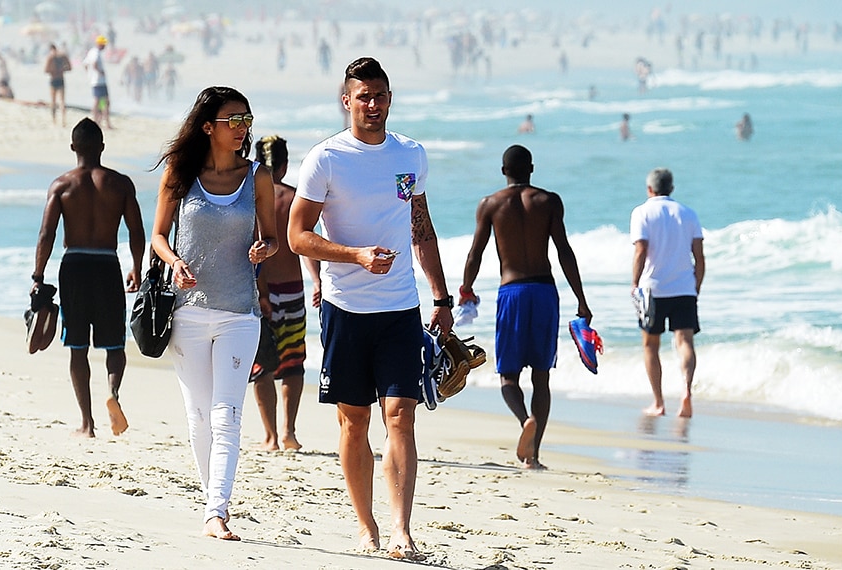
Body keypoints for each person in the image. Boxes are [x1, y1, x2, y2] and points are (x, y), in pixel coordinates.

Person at [287, 57, 453, 560]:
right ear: (347, 100)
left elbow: (420, 227)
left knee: (401, 417)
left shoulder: (411, 154)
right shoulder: (327, 159)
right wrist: (355, 255)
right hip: (344, 309)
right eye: (364, 97)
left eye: (381, 96)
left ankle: (402, 529)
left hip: (401, 307)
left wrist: (442, 296)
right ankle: (367, 526)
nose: (374, 105)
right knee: (354, 422)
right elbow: (297, 236)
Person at [149, 86, 278, 541]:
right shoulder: (180, 174)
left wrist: (266, 248)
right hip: (188, 311)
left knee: (227, 414)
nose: (244, 128)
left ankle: (216, 510)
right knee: (198, 416)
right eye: (234, 121)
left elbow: (273, 237)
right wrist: (174, 262)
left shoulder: (258, 177)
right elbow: (158, 236)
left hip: (240, 312)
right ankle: (212, 502)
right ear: (209, 127)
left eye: (247, 119)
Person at [459, 145, 592, 469]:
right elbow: (564, 252)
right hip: (545, 292)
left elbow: (475, 253)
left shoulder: (490, 204)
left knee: (508, 376)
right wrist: (581, 299)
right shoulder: (548, 201)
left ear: (503, 171)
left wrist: (466, 288)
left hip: (512, 293)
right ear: (531, 168)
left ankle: (524, 421)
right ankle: (533, 455)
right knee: (542, 377)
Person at [32, 117, 146, 438]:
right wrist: (137, 268)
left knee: (77, 347)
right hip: (107, 265)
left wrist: (38, 275)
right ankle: (113, 393)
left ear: (73, 147)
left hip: (75, 266)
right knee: (114, 345)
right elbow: (136, 232)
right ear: (102, 147)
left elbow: (46, 235)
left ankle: (87, 423)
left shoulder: (62, 185)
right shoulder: (120, 184)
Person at [249, 135, 322, 451]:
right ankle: (289, 432)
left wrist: (259, 291)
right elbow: (305, 245)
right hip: (291, 291)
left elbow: (246, 246)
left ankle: (270, 436)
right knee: (292, 364)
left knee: (261, 363)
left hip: (256, 291)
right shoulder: (294, 199)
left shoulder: (248, 198)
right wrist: (317, 281)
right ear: (284, 164)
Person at [630, 167, 705, 418]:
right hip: (684, 288)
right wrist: (696, 286)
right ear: (671, 188)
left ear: (649, 189)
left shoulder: (641, 212)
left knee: (650, 345)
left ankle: (659, 402)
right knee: (685, 342)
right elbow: (699, 257)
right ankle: (686, 391)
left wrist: (634, 283)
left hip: (654, 288)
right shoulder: (688, 213)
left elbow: (641, 250)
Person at [83, 36, 112, 129]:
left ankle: (98, 121)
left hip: (95, 81)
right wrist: (100, 72)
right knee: (103, 101)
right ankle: (103, 122)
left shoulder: (92, 51)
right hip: (99, 81)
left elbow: (85, 64)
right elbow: (94, 63)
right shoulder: (96, 52)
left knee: (100, 101)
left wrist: (89, 75)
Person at [45, 43, 72, 126]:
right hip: (61, 79)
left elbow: (46, 70)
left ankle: (54, 120)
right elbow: (69, 67)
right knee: (62, 101)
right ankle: (63, 120)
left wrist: (54, 71)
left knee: (53, 101)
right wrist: (61, 70)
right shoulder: (62, 56)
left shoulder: (50, 57)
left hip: (53, 80)